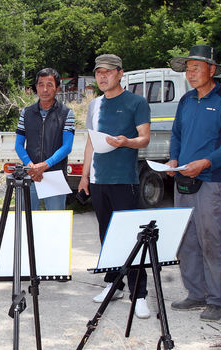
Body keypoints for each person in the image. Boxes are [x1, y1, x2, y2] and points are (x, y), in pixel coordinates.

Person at [166, 45, 221, 321]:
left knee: (210, 239)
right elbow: (176, 135)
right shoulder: (186, 100)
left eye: (196, 68)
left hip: (210, 181)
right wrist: (174, 160)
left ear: (212, 69)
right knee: (186, 239)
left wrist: (207, 162)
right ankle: (195, 293)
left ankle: (216, 300)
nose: (190, 73)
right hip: (182, 180)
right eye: (188, 68)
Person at [79, 54, 152, 319]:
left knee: (132, 238)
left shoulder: (136, 102)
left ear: (120, 73)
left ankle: (140, 294)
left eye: (108, 72)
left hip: (125, 180)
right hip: (99, 181)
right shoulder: (94, 105)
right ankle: (113, 284)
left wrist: (126, 142)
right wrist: (85, 177)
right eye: (99, 72)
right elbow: (90, 142)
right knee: (107, 237)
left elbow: (144, 139)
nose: (102, 76)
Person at [15, 68, 75, 210]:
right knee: (27, 223)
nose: (45, 89)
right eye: (41, 84)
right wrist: (30, 166)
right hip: (30, 175)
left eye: (49, 85)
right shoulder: (26, 112)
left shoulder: (66, 113)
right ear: (36, 87)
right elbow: (18, 144)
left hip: (55, 176)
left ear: (57, 88)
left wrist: (44, 165)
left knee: (55, 225)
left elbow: (67, 147)